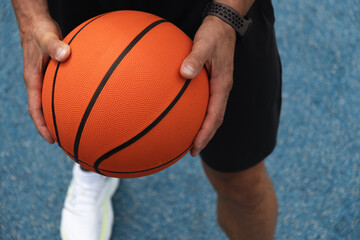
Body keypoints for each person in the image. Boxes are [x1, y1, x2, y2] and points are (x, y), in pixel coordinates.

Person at [11, 0, 282, 239]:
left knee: (241, 180)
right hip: (88, 6)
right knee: (91, 122)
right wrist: (30, 14)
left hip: (210, 9)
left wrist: (228, 15)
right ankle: (93, 170)